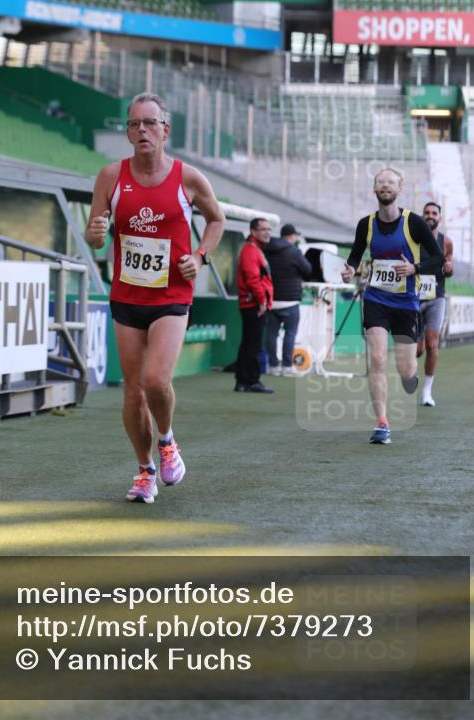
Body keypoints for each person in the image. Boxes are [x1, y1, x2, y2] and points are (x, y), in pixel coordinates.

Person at [85, 92, 225, 503]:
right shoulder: (111, 176)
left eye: (150, 123)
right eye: (134, 124)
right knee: (132, 392)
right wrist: (94, 235)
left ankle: (167, 440)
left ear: (166, 130)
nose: (142, 130)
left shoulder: (189, 178)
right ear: (127, 132)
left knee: (155, 380)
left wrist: (199, 256)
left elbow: (217, 220)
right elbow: (94, 234)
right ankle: (145, 470)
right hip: (127, 294)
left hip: (171, 294)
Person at [342, 167, 444, 445]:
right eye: (380, 182)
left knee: (407, 369)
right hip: (376, 299)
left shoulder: (414, 223)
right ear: (375, 190)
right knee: (376, 359)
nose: (385, 185)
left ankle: (411, 378)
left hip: (406, 303)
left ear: (400, 189)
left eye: (390, 182)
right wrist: (350, 269)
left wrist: (415, 268)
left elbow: (438, 260)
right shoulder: (367, 224)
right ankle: (382, 423)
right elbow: (354, 255)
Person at [417, 201, 454, 407]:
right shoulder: (413, 240)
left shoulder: (446, 242)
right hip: (413, 298)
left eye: (434, 213)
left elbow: (449, 268)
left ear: (439, 217)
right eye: (427, 212)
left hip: (436, 297)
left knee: (432, 345)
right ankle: (409, 373)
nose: (430, 215)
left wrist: (449, 268)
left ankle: (427, 392)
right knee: (418, 350)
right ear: (422, 216)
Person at [263, 222, 312, 376]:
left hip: (271, 299)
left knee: (271, 334)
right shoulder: (294, 251)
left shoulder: (267, 249)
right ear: (292, 236)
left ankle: (273, 367)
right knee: (290, 334)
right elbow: (308, 270)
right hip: (290, 301)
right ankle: (286, 367)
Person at [234, 217, 274, 393]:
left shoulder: (254, 249)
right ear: (253, 231)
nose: (267, 232)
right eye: (263, 229)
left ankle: (242, 382)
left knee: (249, 343)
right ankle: (251, 381)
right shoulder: (250, 250)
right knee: (254, 345)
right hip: (254, 304)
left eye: (269, 229)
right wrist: (262, 301)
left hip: (253, 303)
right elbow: (252, 279)